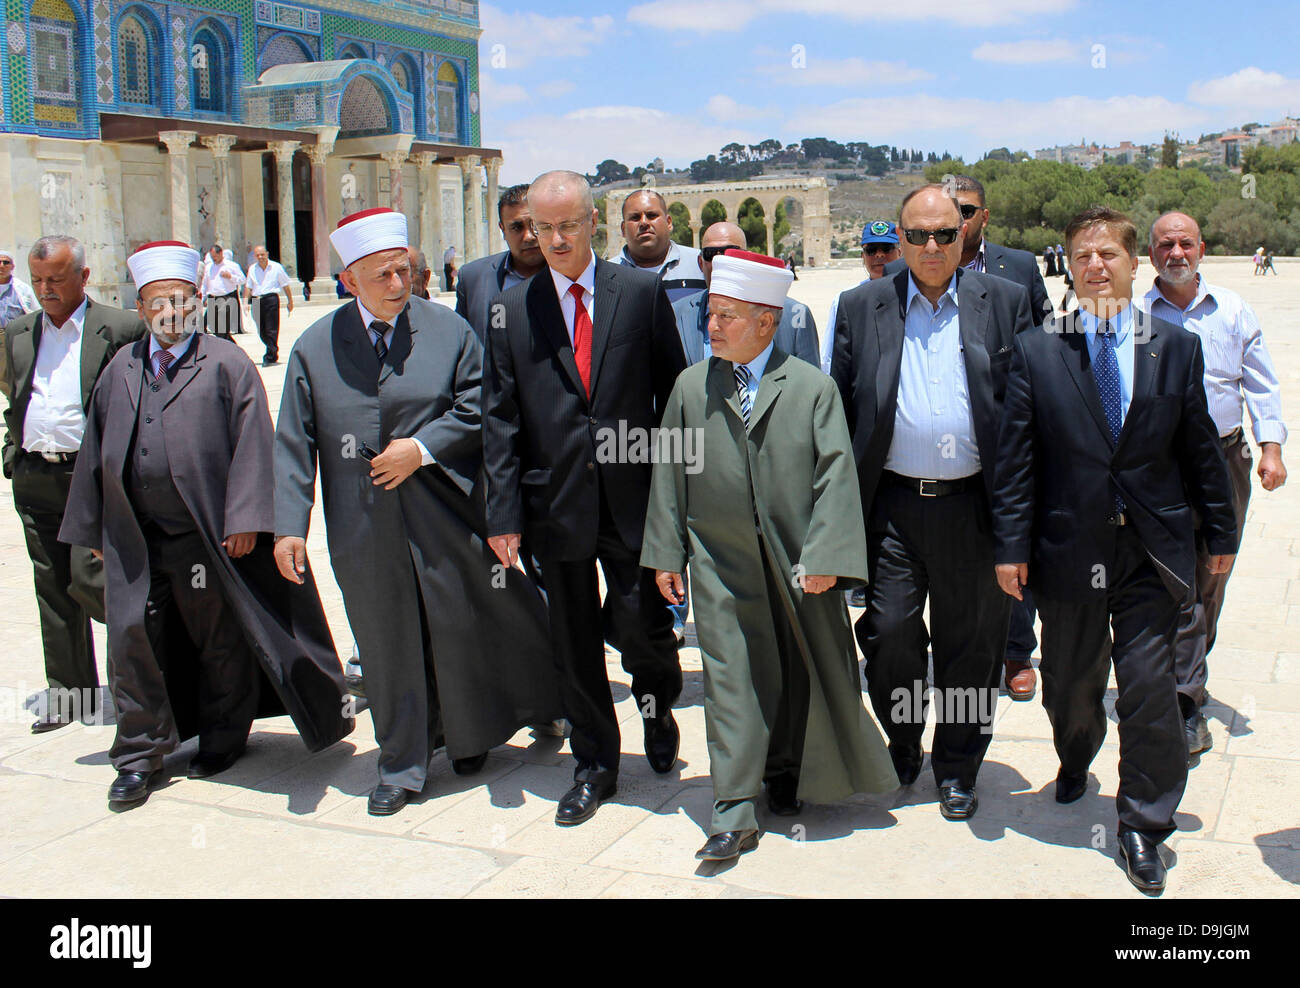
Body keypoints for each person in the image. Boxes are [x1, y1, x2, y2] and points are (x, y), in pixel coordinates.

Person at [275, 207, 562, 817]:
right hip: (361, 524)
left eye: (404, 270)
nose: (399, 285)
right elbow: (294, 443)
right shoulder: (312, 347)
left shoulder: (448, 331)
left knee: (460, 627)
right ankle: (401, 764)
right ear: (349, 280)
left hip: (445, 512)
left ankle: (470, 736)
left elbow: (477, 404)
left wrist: (420, 449)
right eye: (382, 275)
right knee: (385, 640)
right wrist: (288, 527)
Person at [992, 206, 1237, 894]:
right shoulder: (1040, 350)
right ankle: (1075, 756)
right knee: (1071, 685)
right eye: (1083, 256)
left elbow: (1199, 451)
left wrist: (1220, 534)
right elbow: (1015, 463)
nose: (1096, 266)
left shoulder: (1174, 347)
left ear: (1136, 265)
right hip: (1068, 550)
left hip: (1150, 553)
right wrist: (1011, 547)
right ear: (1068, 266)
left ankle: (1143, 823)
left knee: (1151, 689)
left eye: (1109, 255)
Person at [58, 241, 354, 809]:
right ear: (141, 307)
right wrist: (95, 529)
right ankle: (139, 755)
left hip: (207, 539)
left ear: (198, 302)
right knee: (131, 640)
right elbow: (95, 447)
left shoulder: (225, 362)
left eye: (182, 299)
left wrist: (247, 518)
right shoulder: (121, 367)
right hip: (135, 538)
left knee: (219, 639)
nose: (171, 310)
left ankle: (222, 736)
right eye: (157, 301)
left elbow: (253, 444)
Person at [643, 249, 896, 862]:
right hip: (717, 560)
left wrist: (827, 555)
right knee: (730, 678)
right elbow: (669, 474)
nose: (712, 325)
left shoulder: (812, 389)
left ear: (766, 320)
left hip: (799, 561)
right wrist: (665, 554)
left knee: (800, 669)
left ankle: (788, 773)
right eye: (711, 313)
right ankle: (732, 809)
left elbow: (836, 476)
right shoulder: (688, 387)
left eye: (727, 315)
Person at [483, 171, 687, 827]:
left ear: (593, 222)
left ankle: (658, 714)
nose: (558, 239)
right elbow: (500, 419)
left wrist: (678, 500)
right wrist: (504, 513)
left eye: (569, 225)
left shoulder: (641, 293)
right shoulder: (514, 310)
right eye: (545, 229)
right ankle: (595, 764)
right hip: (557, 505)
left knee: (643, 629)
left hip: (634, 501)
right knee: (573, 645)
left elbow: (675, 398)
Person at [831, 184, 1032, 821]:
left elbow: (1028, 416)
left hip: (974, 506)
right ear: (901, 235)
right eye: (917, 235)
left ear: (963, 233)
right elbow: (837, 413)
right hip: (891, 508)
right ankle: (903, 740)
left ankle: (959, 763)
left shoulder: (1004, 302)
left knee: (970, 647)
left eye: (946, 233)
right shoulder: (862, 305)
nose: (932, 247)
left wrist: (1020, 527)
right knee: (889, 633)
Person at [1140, 211, 1287, 759]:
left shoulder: (1232, 310)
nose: (1175, 253)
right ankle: (1181, 698)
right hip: (1160, 465)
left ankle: (1187, 683)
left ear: (1201, 248)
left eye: (1184, 244)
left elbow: (1262, 384)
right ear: (1150, 255)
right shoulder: (1134, 315)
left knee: (1211, 575)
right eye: (1164, 245)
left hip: (1224, 461)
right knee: (1167, 579)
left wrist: (1270, 448)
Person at [3, 235, 145, 732]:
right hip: (36, 476)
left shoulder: (121, 328)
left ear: (83, 277)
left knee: (97, 583)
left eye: (56, 280)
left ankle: (145, 685)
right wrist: (13, 452)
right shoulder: (18, 332)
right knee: (53, 587)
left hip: (93, 480)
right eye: (38, 280)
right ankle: (71, 694)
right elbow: (17, 396)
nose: (46, 290)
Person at [674, 222, 819, 366]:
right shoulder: (677, 314)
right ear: (700, 262)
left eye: (728, 252)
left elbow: (810, 385)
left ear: (746, 258)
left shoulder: (795, 316)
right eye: (710, 254)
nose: (719, 261)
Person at [455, 183, 547, 342]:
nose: (529, 236)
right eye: (517, 228)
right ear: (503, 229)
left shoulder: (570, 275)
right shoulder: (473, 279)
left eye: (535, 225)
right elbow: (462, 344)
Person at [821, 221, 901, 375]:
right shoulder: (846, 301)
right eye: (871, 250)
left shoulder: (915, 295)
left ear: (900, 252)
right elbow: (829, 359)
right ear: (862, 256)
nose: (879, 255)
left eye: (887, 248)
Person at [615, 189, 706, 303]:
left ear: (668, 222)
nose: (644, 222)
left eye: (652, 215)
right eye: (635, 217)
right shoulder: (605, 274)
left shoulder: (700, 264)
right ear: (623, 229)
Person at [0, 247, 42, 400]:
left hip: (13, 336)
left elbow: (36, 311)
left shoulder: (21, 289)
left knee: (10, 373)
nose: (2, 265)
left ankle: (17, 401)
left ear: (12, 266)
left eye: (6, 262)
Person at [244, 245, 294, 367]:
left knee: (271, 328)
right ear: (255, 256)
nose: (260, 257)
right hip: (257, 300)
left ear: (267, 254)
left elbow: (285, 285)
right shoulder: (252, 269)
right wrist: (245, 302)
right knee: (261, 330)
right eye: (258, 255)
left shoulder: (276, 267)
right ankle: (272, 348)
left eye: (262, 254)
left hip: (271, 299)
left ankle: (270, 356)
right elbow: (248, 286)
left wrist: (290, 301)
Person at [199, 244, 243, 338]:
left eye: (215, 256)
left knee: (222, 326)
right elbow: (205, 284)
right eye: (212, 257)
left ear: (221, 253)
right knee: (214, 327)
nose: (214, 259)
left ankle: (223, 347)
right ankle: (231, 346)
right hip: (212, 298)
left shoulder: (232, 265)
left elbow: (243, 280)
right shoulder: (209, 267)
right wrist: (202, 298)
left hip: (226, 298)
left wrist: (231, 277)